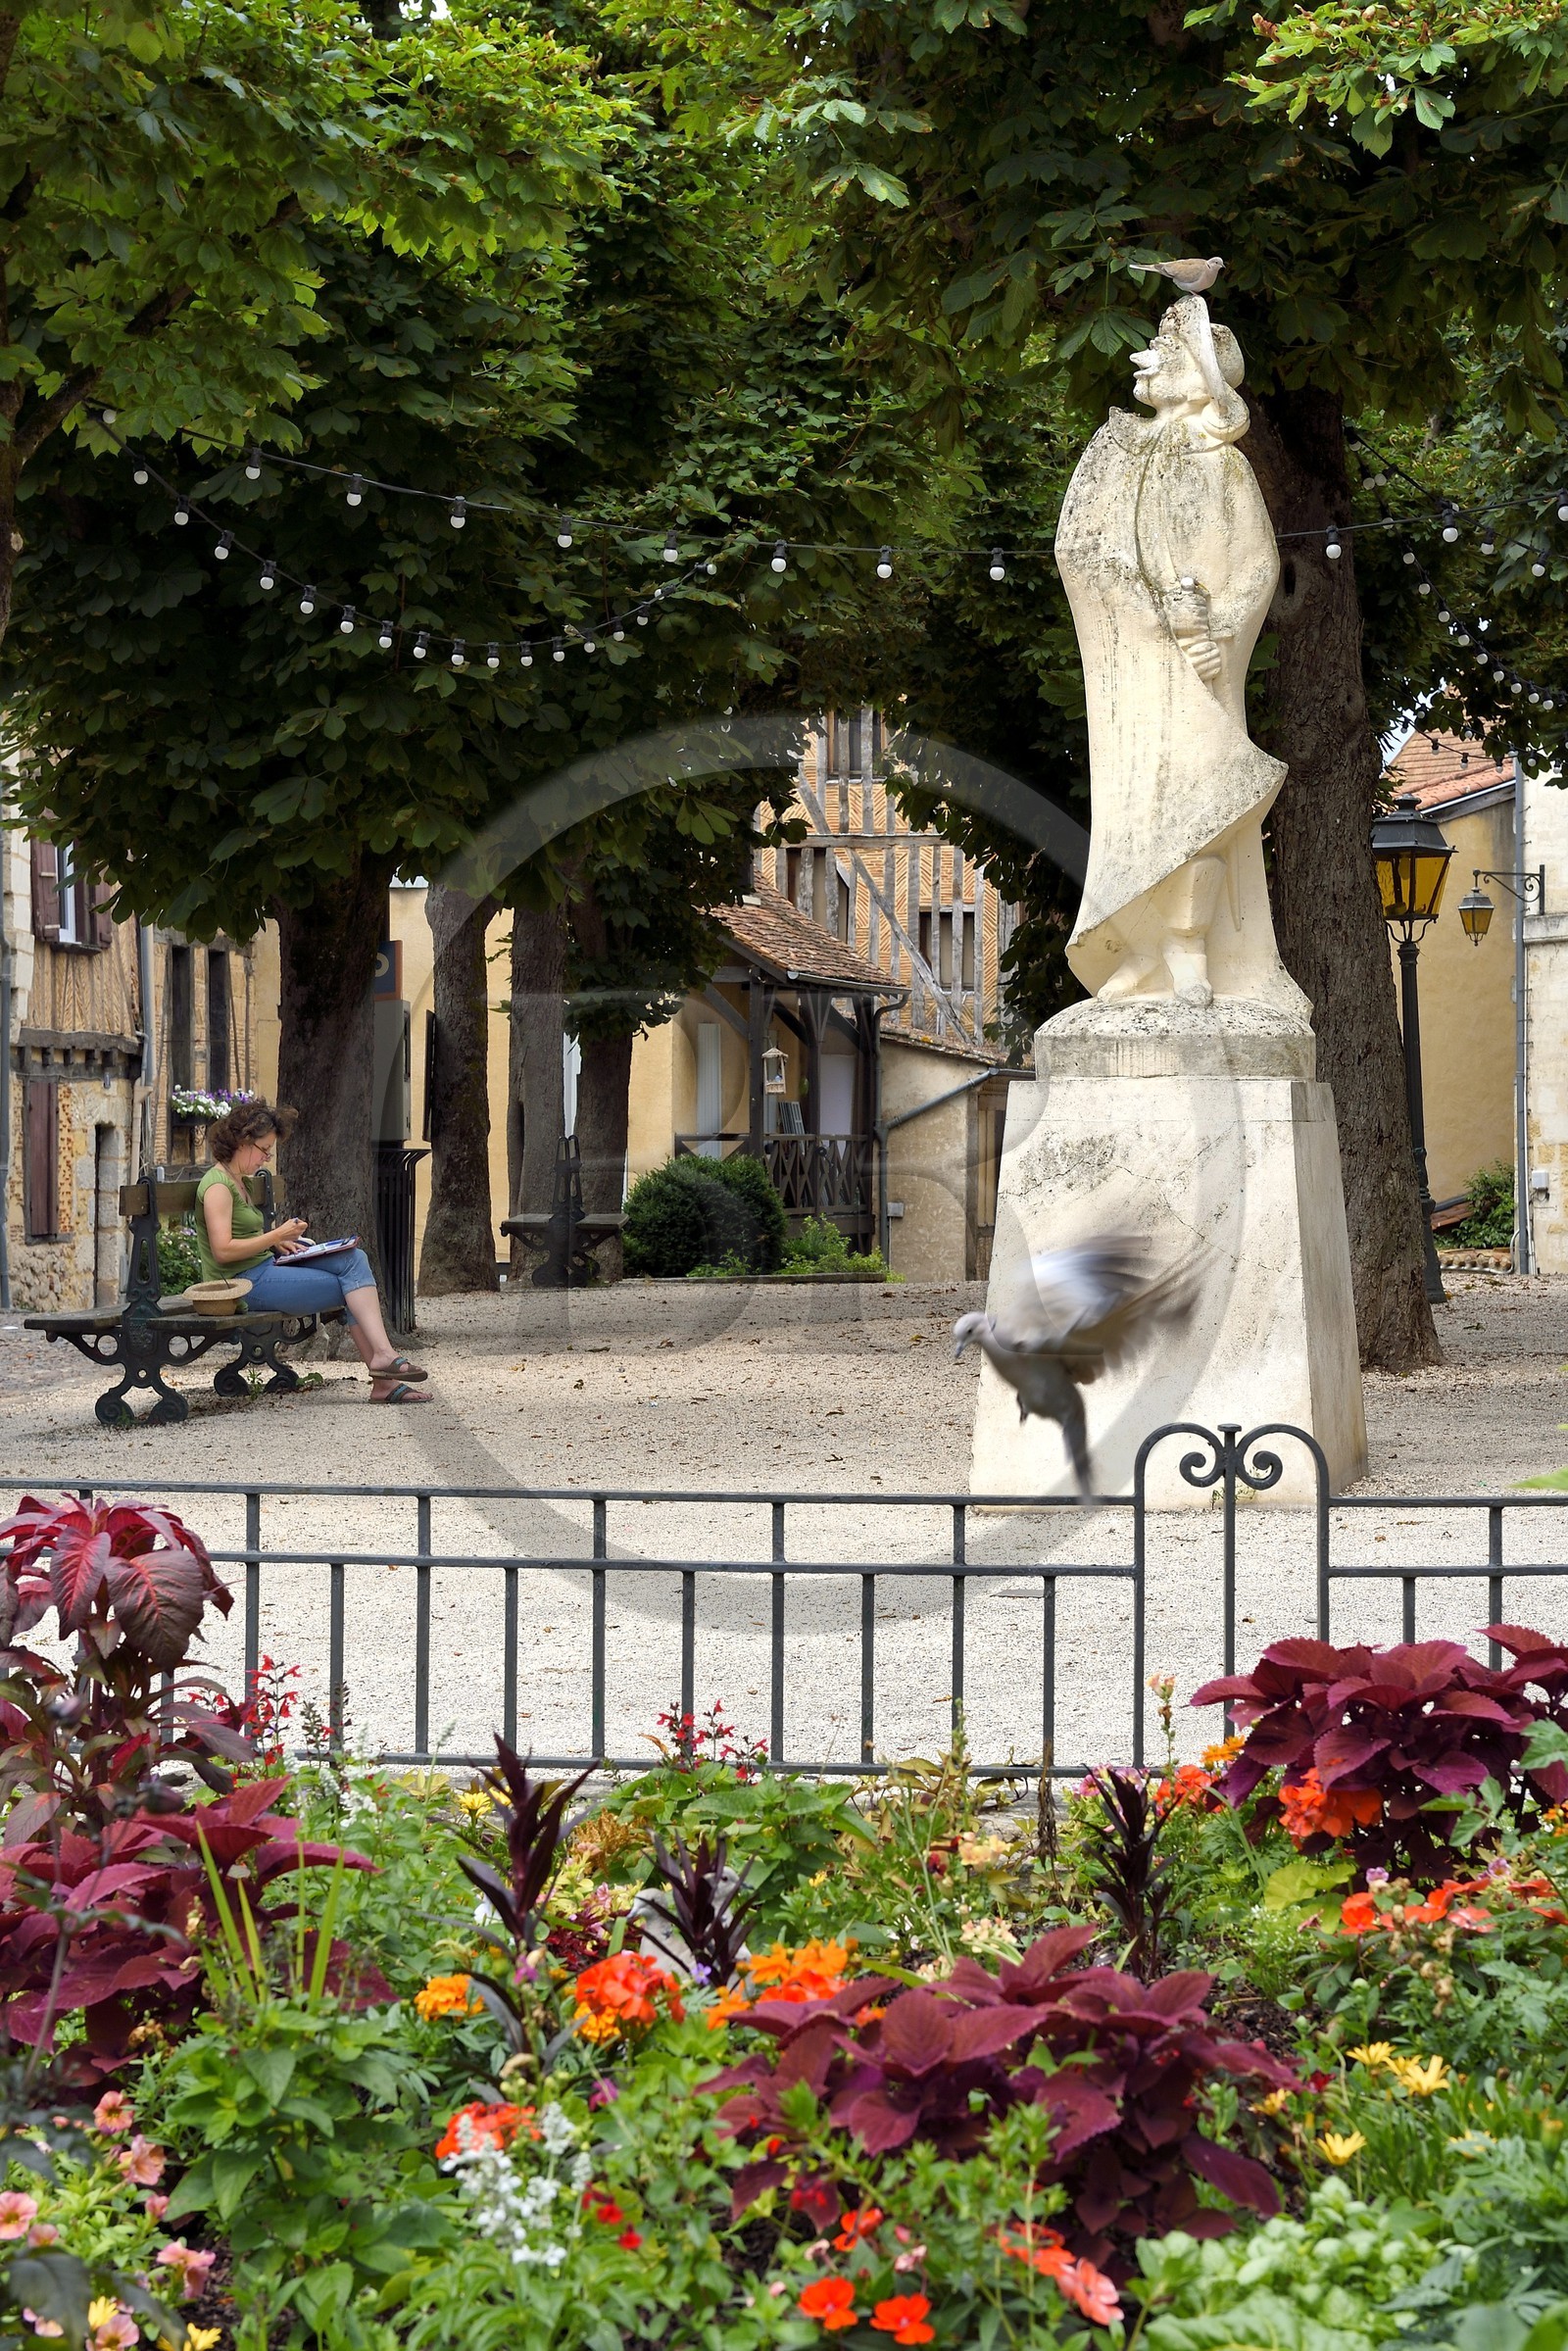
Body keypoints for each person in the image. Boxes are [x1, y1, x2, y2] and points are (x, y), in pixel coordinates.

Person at [196, 1099, 431, 1404]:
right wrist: (274, 1236)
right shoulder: (217, 1187)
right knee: (352, 1288)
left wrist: (278, 1243)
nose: (266, 1158)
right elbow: (223, 1251)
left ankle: (384, 1363)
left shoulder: (239, 1181)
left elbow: (245, 1238)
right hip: (240, 1285)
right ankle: (384, 1373)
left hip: (262, 1271)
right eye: (264, 1149)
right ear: (243, 1141)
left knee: (354, 1259)